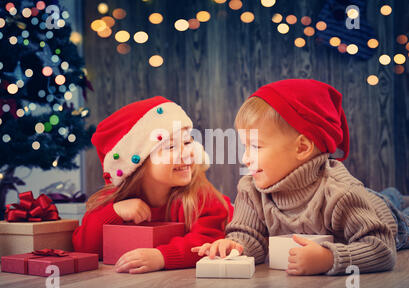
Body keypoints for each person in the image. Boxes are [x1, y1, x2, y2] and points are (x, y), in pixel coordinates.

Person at [192, 79, 409, 276]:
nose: (245, 158)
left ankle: (397, 198)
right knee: (389, 194)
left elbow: (382, 248)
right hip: (363, 199)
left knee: (394, 204)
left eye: (256, 146)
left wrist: (330, 258)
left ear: (302, 147)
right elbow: (250, 237)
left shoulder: (341, 193)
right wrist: (236, 246)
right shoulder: (251, 189)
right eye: (244, 146)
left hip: (386, 218)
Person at [73, 96, 234, 274]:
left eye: (188, 142)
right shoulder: (115, 200)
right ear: (138, 162)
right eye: (171, 147)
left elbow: (207, 242)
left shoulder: (200, 197)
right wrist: (115, 212)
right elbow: (84, 247)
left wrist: (162, 256)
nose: (187, 153)